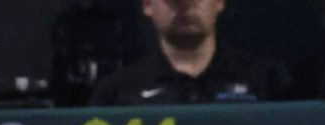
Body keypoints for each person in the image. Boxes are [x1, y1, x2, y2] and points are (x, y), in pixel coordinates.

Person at [89, 0, 289, 105]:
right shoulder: (116, 93)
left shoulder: (265, 80)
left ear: (219, 1)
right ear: (147, 5)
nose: (186, 4)